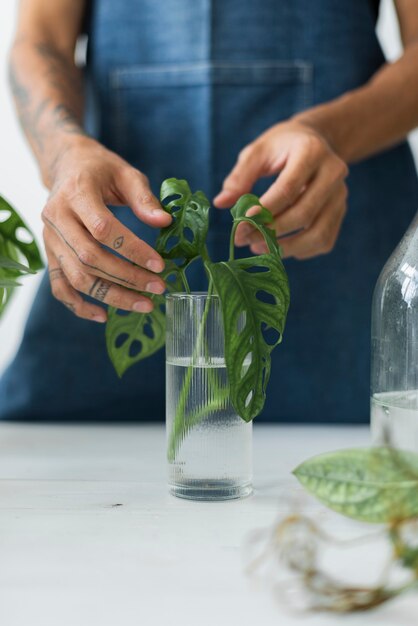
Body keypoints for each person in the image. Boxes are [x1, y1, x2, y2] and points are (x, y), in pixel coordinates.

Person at [1, 0, 418, 423]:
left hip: (337, 247)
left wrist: (327, 133)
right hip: (122, 253)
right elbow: (42, 40)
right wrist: (64, 153)